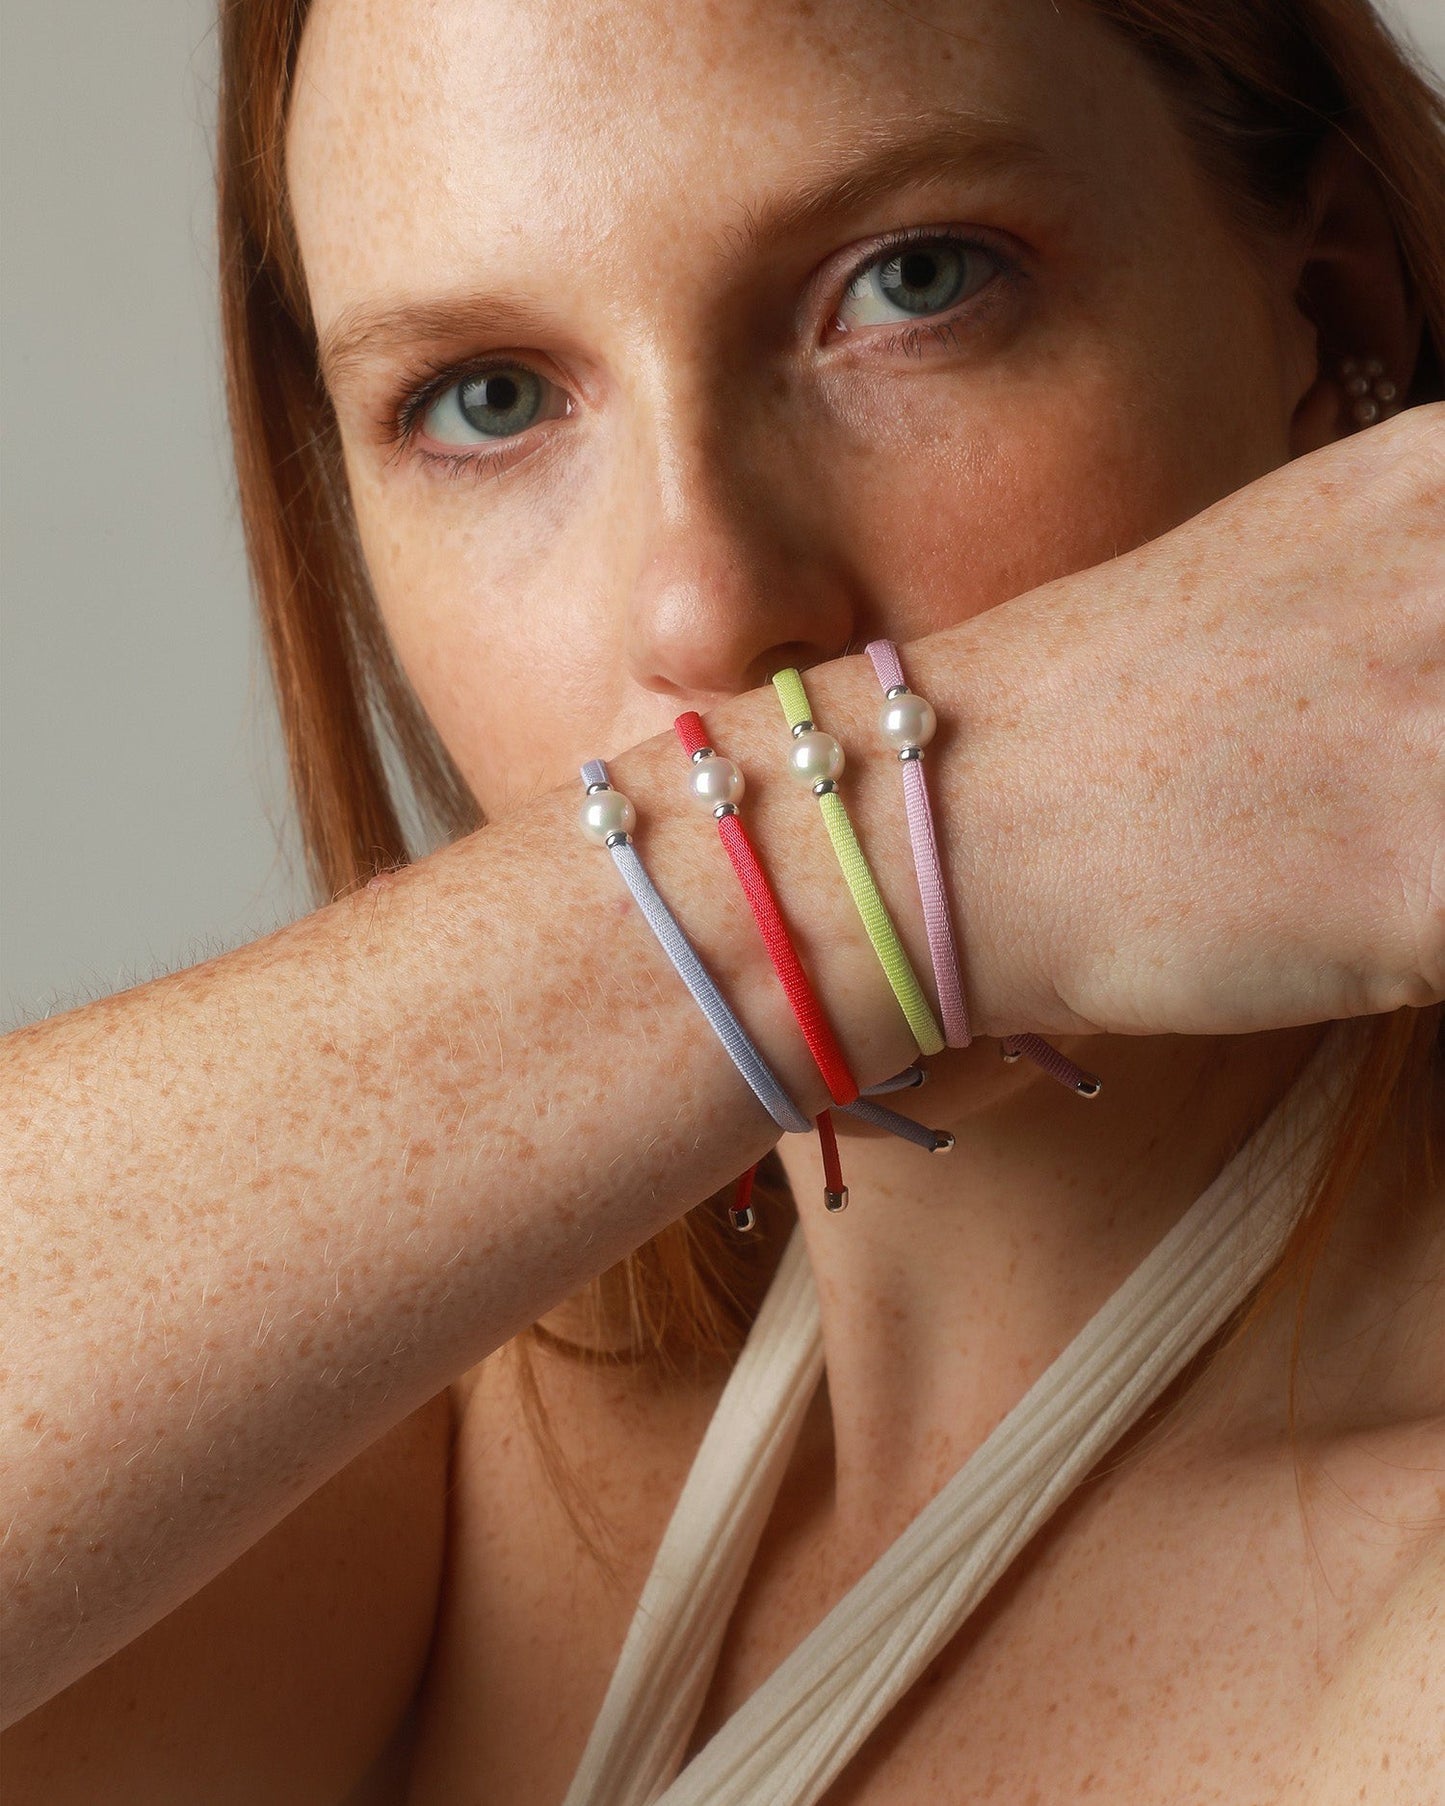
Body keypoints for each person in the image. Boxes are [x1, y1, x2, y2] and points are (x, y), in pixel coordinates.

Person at [3, 0, 1442, 1798]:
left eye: (912, 282)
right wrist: (955, 835)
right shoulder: (425, 1425)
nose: (703, 608)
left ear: (1332, 307)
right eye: (489, 397)